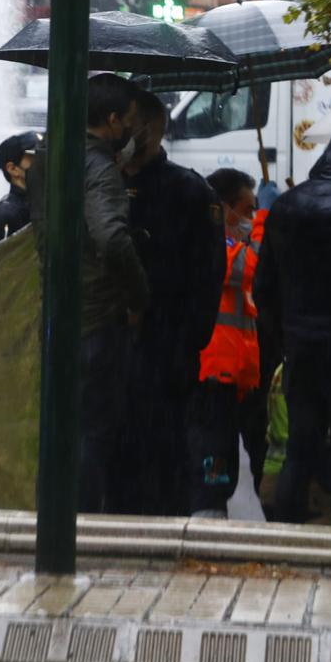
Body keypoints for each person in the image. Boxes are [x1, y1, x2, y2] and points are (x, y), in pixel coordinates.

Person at [30, 74, 150, 514]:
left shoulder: (49, 156)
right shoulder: (99, 166)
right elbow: (112, 237)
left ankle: (54, 519)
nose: (134, 133)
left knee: (59, 428)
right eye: (131, 122)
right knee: (92, 432)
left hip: (57, 312)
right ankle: (78, 528)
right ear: (114, 120)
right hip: (98, 317)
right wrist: (139, 296)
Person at [119, 90, 227, 515]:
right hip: (118, 338)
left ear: (153, 129)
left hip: (169, 339)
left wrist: (191, 338)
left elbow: (208, 273)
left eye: (130, 125)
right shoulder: (106, 183)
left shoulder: (189, 190)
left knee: (164, 438)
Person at [256, 133, 331, 526]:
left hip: (300, 345)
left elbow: (263, 287)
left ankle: (285, 528)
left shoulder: (286, 206)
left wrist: (282, 339)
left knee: (299, 448)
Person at [187, 168, 264, 518]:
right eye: (247, 210)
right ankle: (207, 513)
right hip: (214, 370)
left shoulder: (230, 243)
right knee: (213, 450)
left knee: (223, 447)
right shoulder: (216, 246)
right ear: (225, 208)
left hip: (230, 373)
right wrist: (264, 225)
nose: (249, 218)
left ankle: (213, 503)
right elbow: (248, 270)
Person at [0, 130, 41, 244]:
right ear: (13, 169)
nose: (44, 162)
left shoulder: (46, 205)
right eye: (36, 157)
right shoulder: (6, 215)